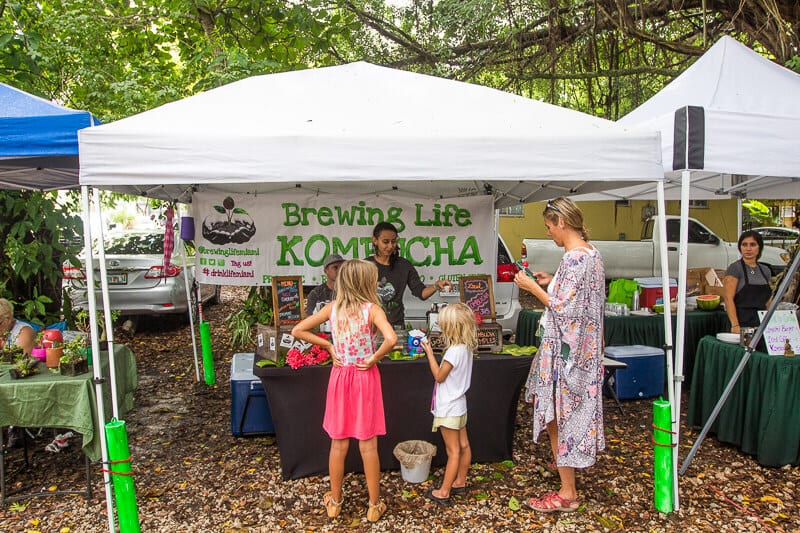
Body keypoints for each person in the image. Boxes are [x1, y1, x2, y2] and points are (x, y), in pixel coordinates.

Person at [513, 197, 605, 513]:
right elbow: (577, 299)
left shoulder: (573, 259)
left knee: (557, 416)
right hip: (586, 351)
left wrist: (531, 287)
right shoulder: (593, 254)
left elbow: (565, 308)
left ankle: (567, 493)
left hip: (566, 355)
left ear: (561, 223)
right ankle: (565, 464)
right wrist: (550, 283)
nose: (549, 232)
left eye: (549, 226)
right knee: (568, 414)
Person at [291, 259, 397, 523]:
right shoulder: (373, 310)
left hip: (341, 377)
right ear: (366, 283)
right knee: (368, 444)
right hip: (365, 377)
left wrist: (328, 347)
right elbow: (392, 339)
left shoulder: (332, 308)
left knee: (338, 443)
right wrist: (373, 358)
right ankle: (374, 506)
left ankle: (335, 502)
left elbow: (298, 330)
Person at [420, 302, 476, 506]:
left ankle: (444, 492)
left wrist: (429, 352)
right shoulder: (466, 347)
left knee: (453, 451)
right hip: (460, 404)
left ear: (450, 327)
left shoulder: (453, 351)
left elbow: (439, 376)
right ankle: (460, 481)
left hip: (448, 407)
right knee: (464, 445)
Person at [367, 222, 452, 328]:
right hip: (370, 326)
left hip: (396, 325)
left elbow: (421, 293)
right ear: (375, 240)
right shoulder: (366, 266)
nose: (390, 246)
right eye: (385, 242)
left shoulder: (404, 265)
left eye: (393, 242)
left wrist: (436, 286)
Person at [723, 230, 772, 335]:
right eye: (744, 245)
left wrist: (771, 322)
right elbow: (728, 299)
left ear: (759, 247)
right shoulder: (735, 268)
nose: (748, 248)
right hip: (741, 324)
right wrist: (735, 325)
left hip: (761, 324)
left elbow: (768, 300)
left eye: (753, 245)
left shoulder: (765, 270)